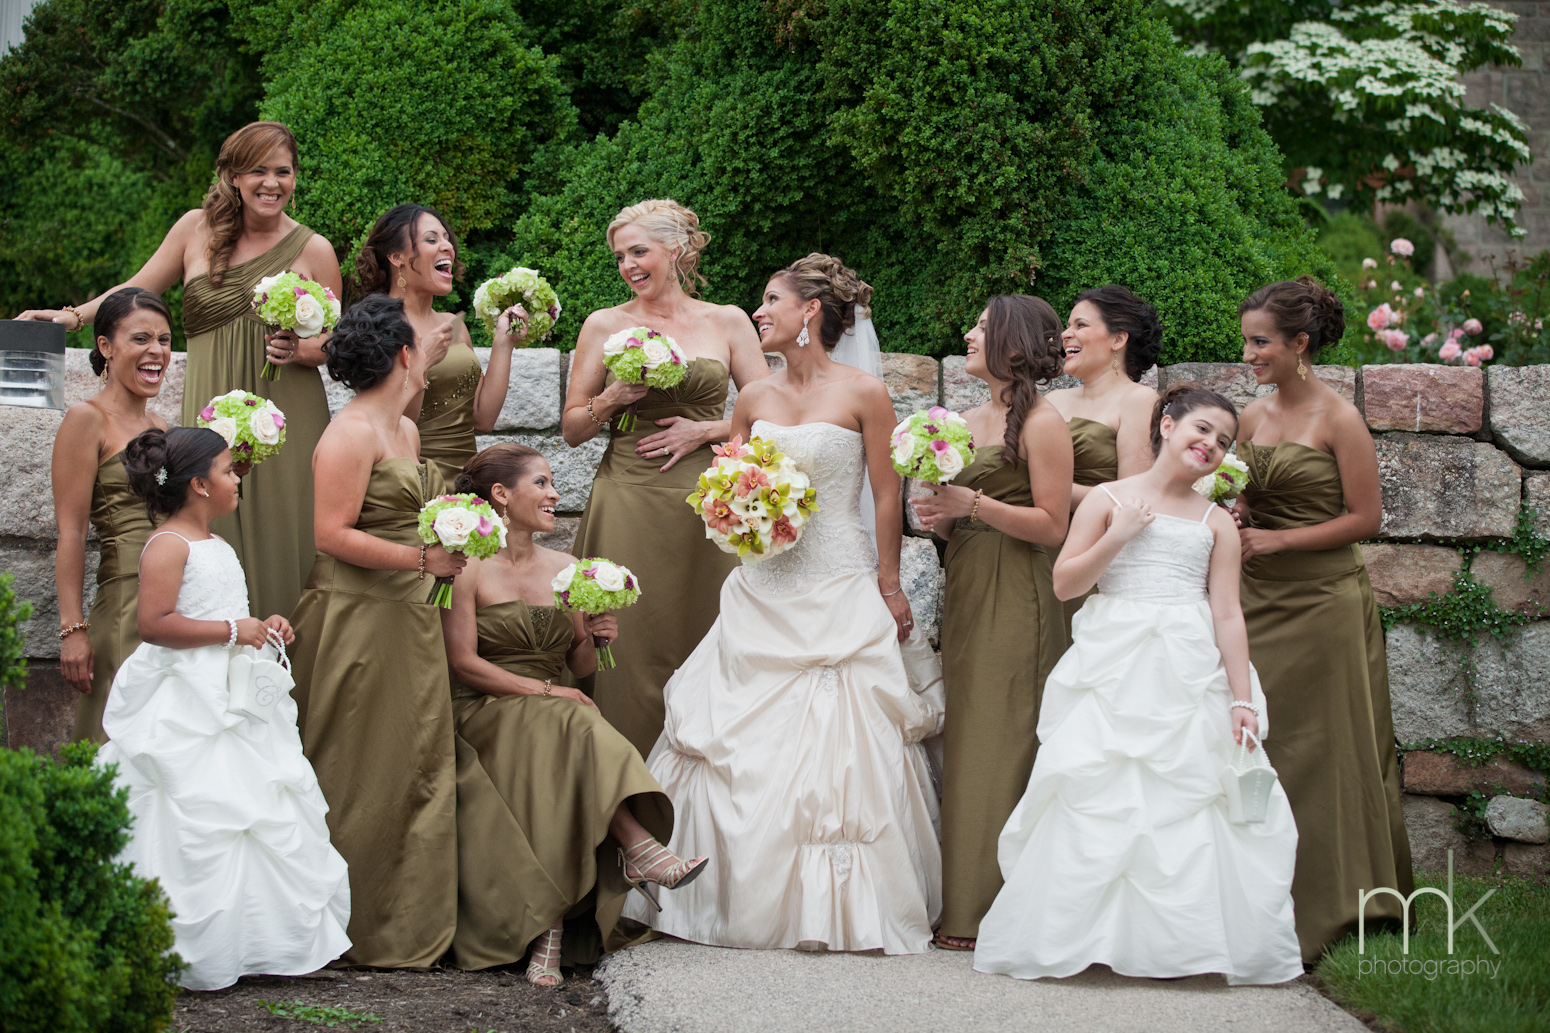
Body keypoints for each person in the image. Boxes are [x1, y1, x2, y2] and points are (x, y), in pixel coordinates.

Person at [624, 254, 944, 954]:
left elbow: (886, 495)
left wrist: (889, 583)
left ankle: (842, 911)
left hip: (839, 578)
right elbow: (729, 482)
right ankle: (724, 896)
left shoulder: (864, 392)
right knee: (732, 733)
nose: (759, 312)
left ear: (811, 312)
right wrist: (733, 509)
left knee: (845, 744)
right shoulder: (753, 399)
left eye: (771, 301)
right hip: (763, 583)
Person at [974, 385, 1301, 986]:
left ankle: (1181, 945)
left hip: (1188, 665)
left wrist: (1241, 699)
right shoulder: (1106, 499)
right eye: (1201, 429)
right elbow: (1067, 584)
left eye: (1224, 441)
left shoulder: (1215, 522)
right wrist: (1119, 534)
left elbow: (1227, 613)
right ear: (1169, 425)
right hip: (1114, 664)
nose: (1210, 444)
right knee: (1097, 793)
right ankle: (1080, 937)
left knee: (1191, 804)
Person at [17, 121, 342, 620]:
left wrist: (303, 351)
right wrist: (72, 317)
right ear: (233, 175)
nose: (271, 183)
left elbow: (338, 346)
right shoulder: (196, 229)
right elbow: (137, 286)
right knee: (210, 537)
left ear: (296, 177)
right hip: (209, 418)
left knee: (289, 540)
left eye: (283, 171)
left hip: (287, 423)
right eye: (257, 170)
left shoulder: (314, 249)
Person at [442, 444, 705, 985]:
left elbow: (580, 666)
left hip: (551, 715)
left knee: (563, 735)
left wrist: (596, 635)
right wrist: (547, 691)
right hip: (486, 708)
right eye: (541, 483)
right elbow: (463, 663)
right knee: (570, 717)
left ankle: (550, 933)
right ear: (501, 494)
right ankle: (638, 847)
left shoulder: (568, 570)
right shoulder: (466, 568)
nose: (555, 494)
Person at [99, 426, 350, 990]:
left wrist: (263, 627)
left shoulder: (218, 545)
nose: (238, 478)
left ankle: (253, 939)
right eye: (228, 470)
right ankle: (184, 942)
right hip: (190, 695)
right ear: (198, 485)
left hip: (235, 687)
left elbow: (228, 612)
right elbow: (155, 624)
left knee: (255, 805)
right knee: (202, 804)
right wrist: (236, 628)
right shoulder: (168, 544)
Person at [1235, 277, 1412, 963]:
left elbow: (1366, 519)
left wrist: (1279, 539)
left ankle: (1339, 909)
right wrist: (1240, 518)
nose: (1248, 353)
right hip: (1256, 600)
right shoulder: (1251, 418)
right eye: (1248, 340)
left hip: (1324, 601)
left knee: (1330, 750)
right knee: (1263, 748)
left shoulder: (1340, 419)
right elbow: (1242, 497)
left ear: (1299, 344)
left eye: (1260, 342)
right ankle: (1256, 907)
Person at [288, 294, 465, 968]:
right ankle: (350, 922)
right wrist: (424, 557)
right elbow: (329, 535)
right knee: (358, 761)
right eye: (420, 342)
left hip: (410, 612)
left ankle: (408, 915)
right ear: (401, 354)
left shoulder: (409, 433)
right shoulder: (350, 433)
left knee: (413, 756)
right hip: (357, 615)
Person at [563, 199, 768, 756]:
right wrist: (612, 397)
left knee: (709, 634)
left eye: (638, 251)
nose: (628, 265)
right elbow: (573, 428)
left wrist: (704, 431)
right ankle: (627, 797)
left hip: (707, 502)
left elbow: (770, 413)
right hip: (628, 496)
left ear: (673, 250)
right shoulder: (605, 324)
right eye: (620, 256)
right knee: (629, 640)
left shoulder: (727, 320)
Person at [910, 295, 1072, 951]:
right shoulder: (963, 419)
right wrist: (938, 513)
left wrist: (972, 500)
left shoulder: (1043, 422)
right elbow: (953, 519)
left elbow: (1054, 524)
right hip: (969, 581)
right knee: (969, 731)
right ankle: (963, 902)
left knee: (1004, 734)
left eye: (981, 325)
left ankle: (990, 909)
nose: (969, 333)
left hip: (1020, 587)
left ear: (1014, 341)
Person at [50, 288, 172, 743]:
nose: (156, 351)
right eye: (140, 338)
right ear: (105, 347)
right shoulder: (87, 420)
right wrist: (72, 629)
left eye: (164, 339)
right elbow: (72, 531)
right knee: (121, 740)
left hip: (172, 604)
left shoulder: (160, 426)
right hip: (124, 605)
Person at [352, 204, 530, 484]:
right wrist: (424, 362)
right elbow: (390, 424)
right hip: (411, 480)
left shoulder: (452, 324)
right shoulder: (375, 326)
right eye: (432, 239)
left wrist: (503, 343)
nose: (447, 246)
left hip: (465, 480)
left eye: (447, 238)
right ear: (396, 256)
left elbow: (483, 418)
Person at [1043, 286, 1161, 638]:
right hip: (1034, 547)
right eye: (1067, 326)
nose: (1066, 334)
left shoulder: (1139, 400)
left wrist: (1049, 490)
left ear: (1118, 339)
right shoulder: (1053, 400)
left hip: (1092, 553)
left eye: (1080, 325)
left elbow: (1131, 500)